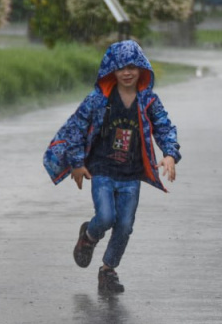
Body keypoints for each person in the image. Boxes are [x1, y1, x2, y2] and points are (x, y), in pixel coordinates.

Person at [43, 40, 180, 295]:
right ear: (111, 71)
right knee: (106, 217)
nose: (127, 72)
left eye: (132, 66)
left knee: (125, 225)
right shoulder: (98, 100)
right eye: (120, 68)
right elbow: (76, 129)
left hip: (131, 174)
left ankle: (108, 270)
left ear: (141, 68)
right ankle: (89, 236)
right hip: (102, 170)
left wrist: (170, 153)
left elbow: (164, 126)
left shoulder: (148, 100)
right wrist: (76, 163)